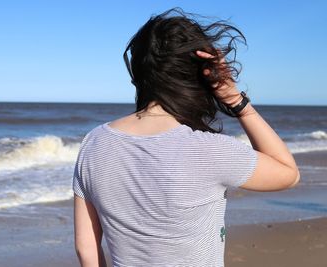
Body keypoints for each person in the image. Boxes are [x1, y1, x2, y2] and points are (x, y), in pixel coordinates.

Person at [73, 7, 300, 267]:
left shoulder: (94, 143)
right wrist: (237, 103)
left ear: (137, 73)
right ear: (201, 76)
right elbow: (288, 173)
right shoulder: (208, 149)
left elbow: (86, 246)